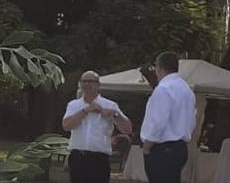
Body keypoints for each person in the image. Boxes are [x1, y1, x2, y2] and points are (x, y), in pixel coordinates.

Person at [62, 71, 133, 183]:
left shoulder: (110, 105)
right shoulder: (74, 105)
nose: (86, 84)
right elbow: (66, 126)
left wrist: (115, 114)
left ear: (98, 85)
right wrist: (85, 111)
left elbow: (127, 129)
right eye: (84, 81)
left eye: (91, 81)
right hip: (78, 157)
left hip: (99, 158)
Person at [139, 52, 196, 183]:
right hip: (180, 147)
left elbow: (158, 121)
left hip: (162, 149)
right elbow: (192, 120)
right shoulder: (187, 90)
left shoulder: (163, 89)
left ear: (159, 68)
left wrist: (147, 146)